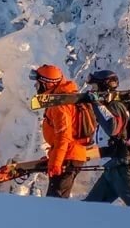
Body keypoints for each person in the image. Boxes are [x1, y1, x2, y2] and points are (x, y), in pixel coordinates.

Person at [82, 69, 130, 209]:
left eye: (94, 87)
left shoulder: (116, 106)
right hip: (112, 170)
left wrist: (96, 104)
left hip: (123, 169)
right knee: (89, 209)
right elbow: (113, 144)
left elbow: (113, 128)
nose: (92, 90)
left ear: (104, 86)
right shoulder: (110, 107)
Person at [32, 64, 98, 198]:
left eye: (38, 84)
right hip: (69, 155)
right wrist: (54, 156)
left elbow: (63, 136)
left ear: (47, 84)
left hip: (68, 158)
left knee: (56, 202)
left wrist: (56, 162)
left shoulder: (60, 104)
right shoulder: (63, 99)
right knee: (57, 199)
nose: (36, 87)